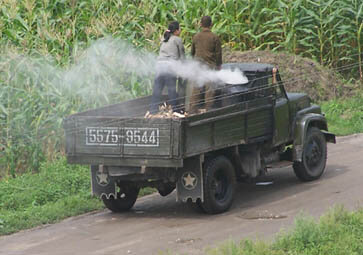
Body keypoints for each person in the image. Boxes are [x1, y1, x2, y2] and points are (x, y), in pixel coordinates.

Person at [150, 21, 185, 114]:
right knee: (172, 89)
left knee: (157, 89)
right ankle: (176, 110)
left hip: (159, 66)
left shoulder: (164, 38)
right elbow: (182, 57)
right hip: (170, 66)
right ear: (176, 31)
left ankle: (153, 110)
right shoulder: (177, 40)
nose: (180, 30)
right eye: (179, 28)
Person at [189, 16, 222, 114]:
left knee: (196, 88)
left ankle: (192, 111)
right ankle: (209, 111)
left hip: (198, 66)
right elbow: (218, 54)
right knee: (209, 89)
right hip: (210, 66)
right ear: (211, 24)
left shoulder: (196, 37)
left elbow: (192, 53)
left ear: (201, 24)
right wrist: (219, 65)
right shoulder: (215, 37)